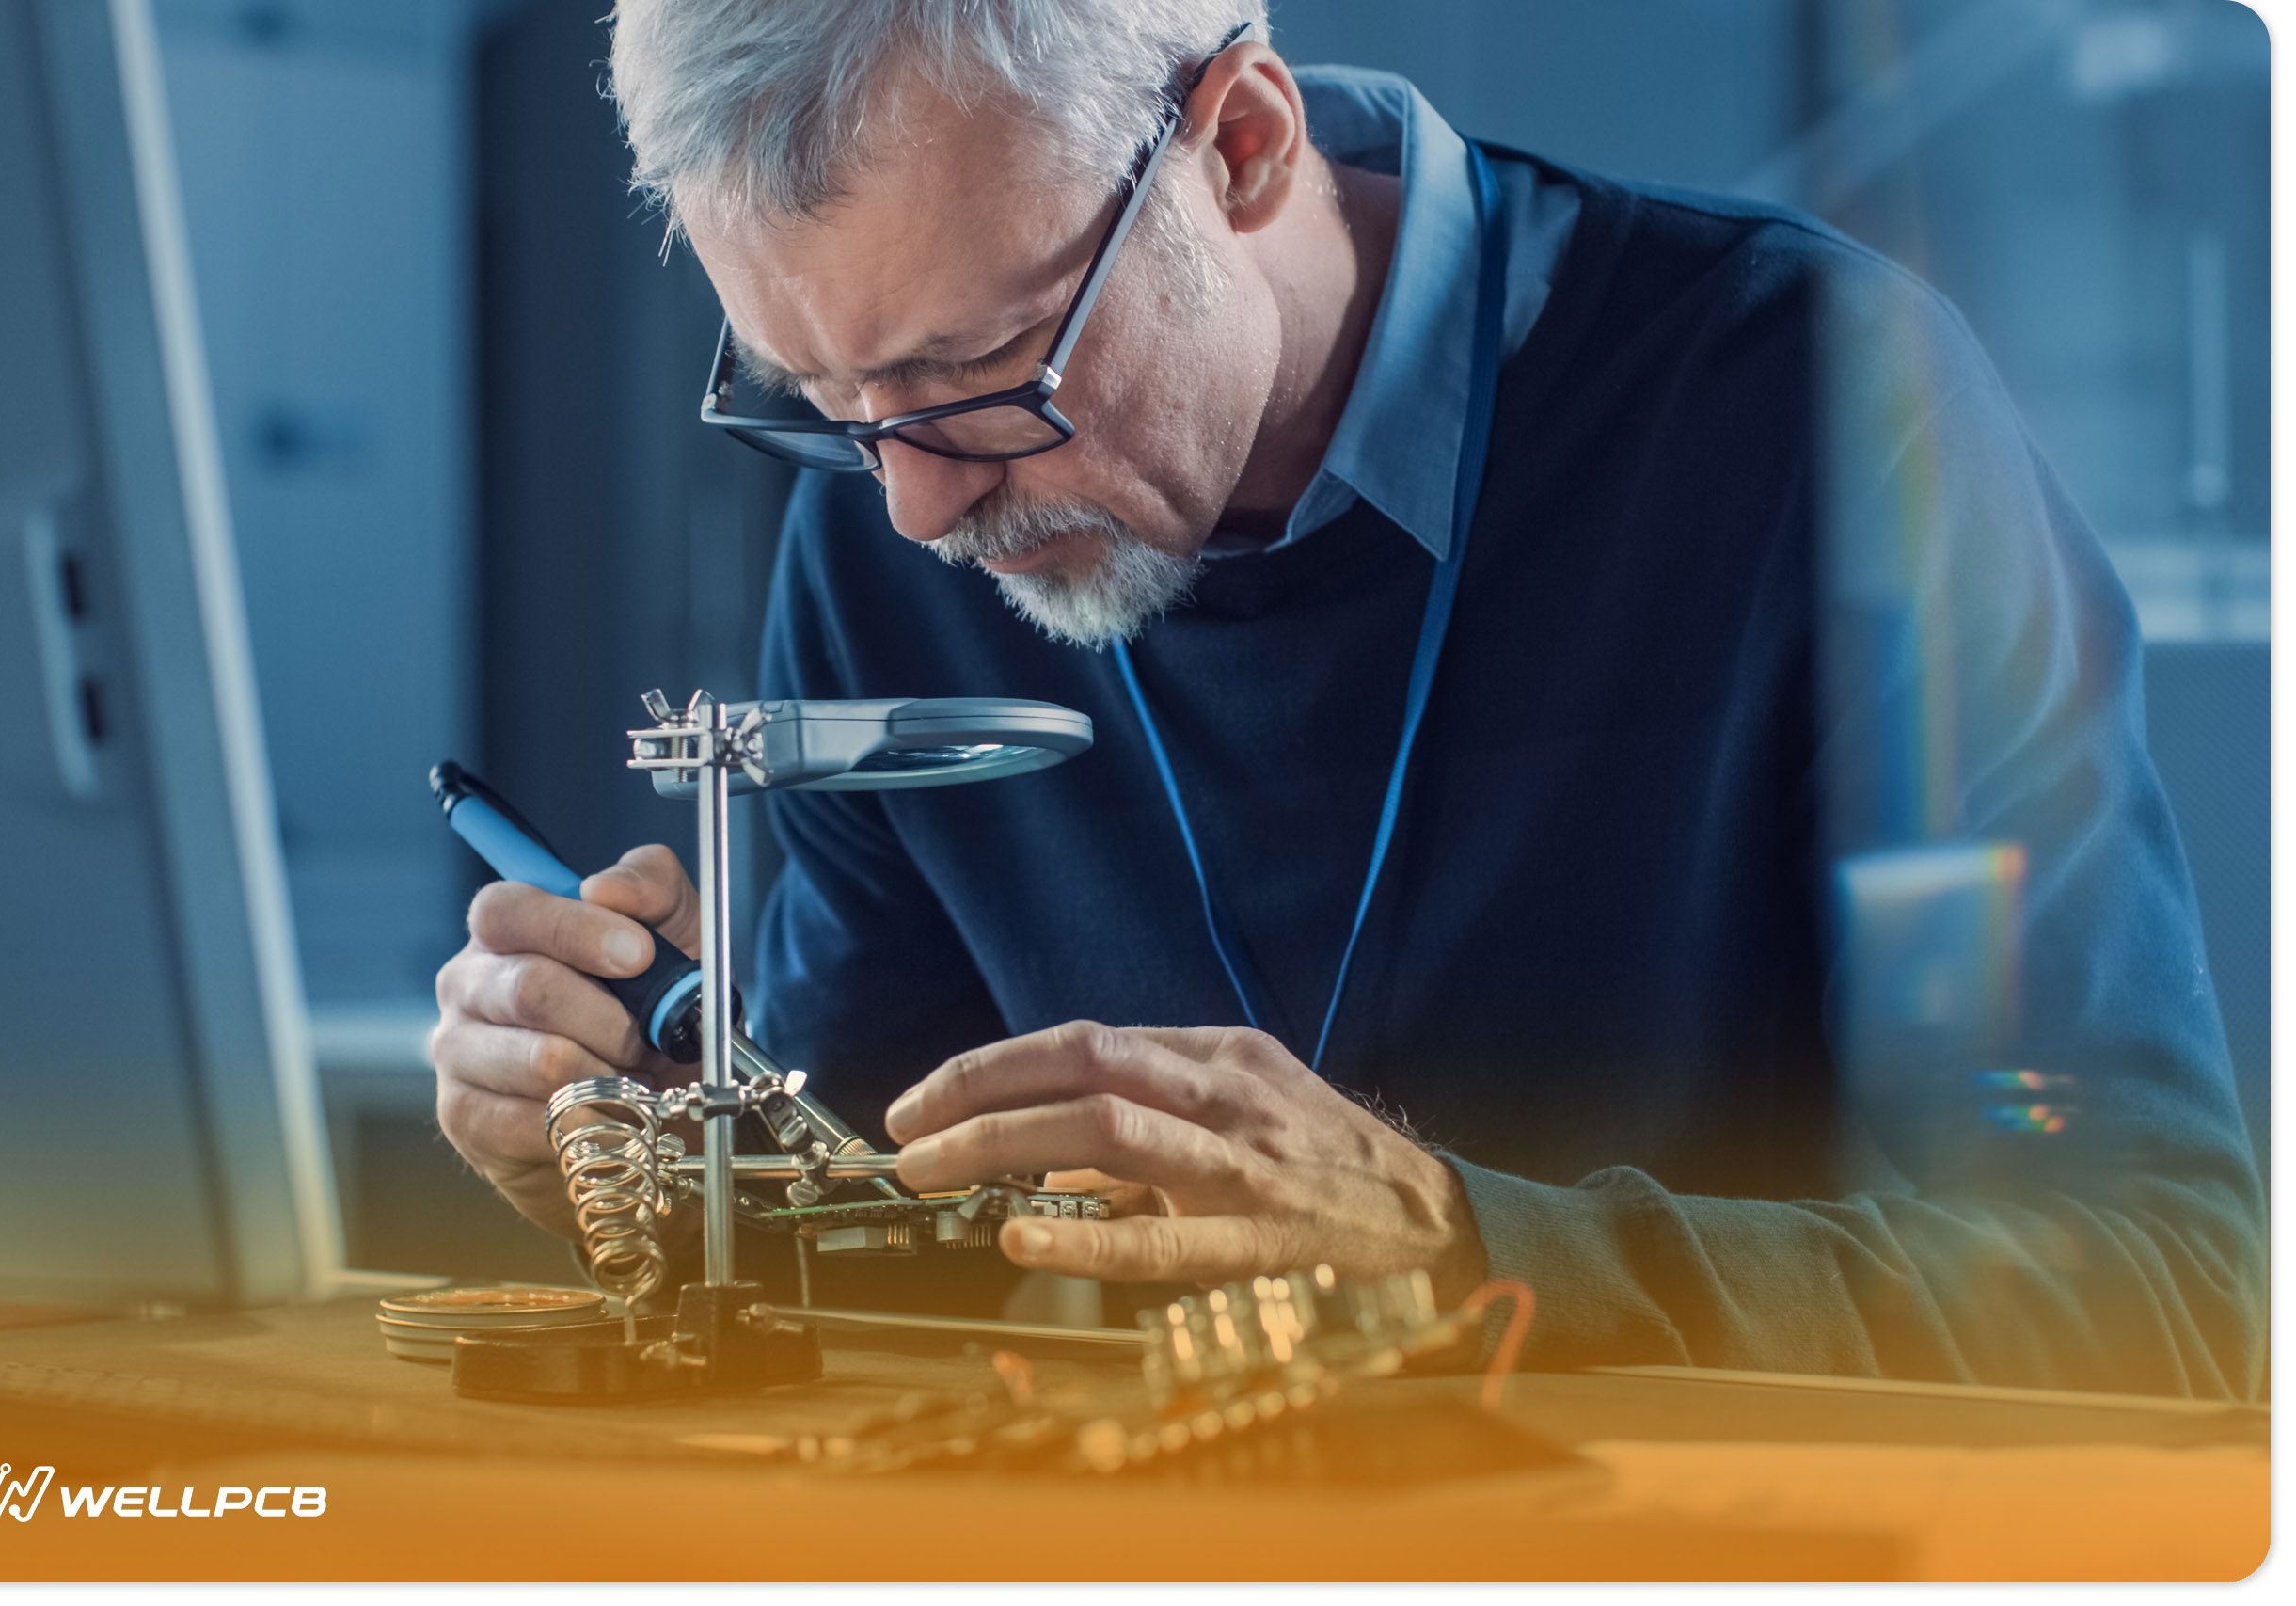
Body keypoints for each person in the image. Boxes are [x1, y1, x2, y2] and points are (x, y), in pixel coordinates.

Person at [431, 0, 2263, 1396]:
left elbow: (2153, 1286)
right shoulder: (895, 513)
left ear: (1235, 142)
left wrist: (1473, 1252)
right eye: (825, 409)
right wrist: (655, 1169)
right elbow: (915, 1254)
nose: (914, 505)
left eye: (980, 372)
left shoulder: (1817, 416)